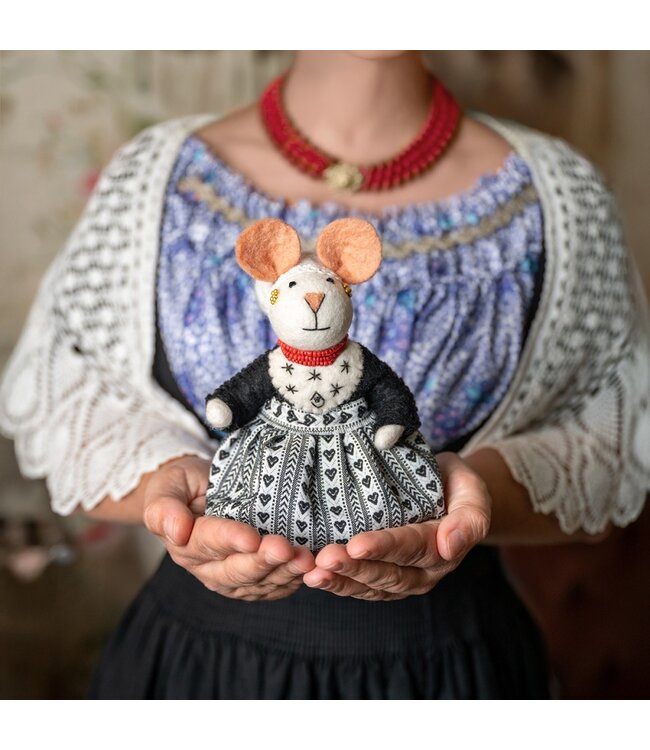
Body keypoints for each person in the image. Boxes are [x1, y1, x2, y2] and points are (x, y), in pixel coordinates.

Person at [1, 51, 648, 699]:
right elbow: (67, 402)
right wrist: (171, 490)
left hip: (447, 670)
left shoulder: (559, 197)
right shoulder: (156, 178)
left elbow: (611, 440)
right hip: (198, 666)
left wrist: (469, 491)